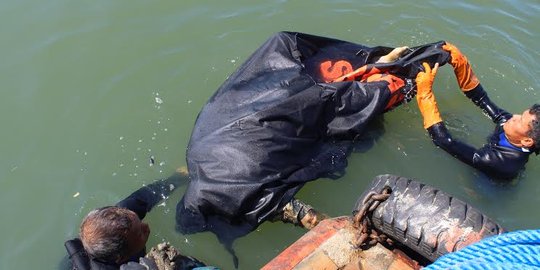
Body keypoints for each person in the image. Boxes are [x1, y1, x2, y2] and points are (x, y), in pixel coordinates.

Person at [176, 32, 451, 245]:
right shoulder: (196, 155)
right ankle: (371, 76)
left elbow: (309, 217)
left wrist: (349, 233)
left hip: (269, 126)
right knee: (306, 96)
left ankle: (375, 82)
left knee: (328, 116)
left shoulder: (251, 197)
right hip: (246, 117)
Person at [415, 42, 539, 179]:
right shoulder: (510, 124)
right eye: (520, 115)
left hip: (489, 185)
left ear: (527, 141)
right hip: (495, 149)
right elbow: (481, 99)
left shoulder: (496, 162)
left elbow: (443, 141)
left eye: (520, 120)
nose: (514, 116)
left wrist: (424, 93)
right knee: (451, 118)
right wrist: (460, 63)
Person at [64, 172, 211, 270]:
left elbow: (144, 197)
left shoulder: (122, 218)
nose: (146, 226)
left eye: (139, 222)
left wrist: (177, 178)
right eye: (140, 233)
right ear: (120, 257)